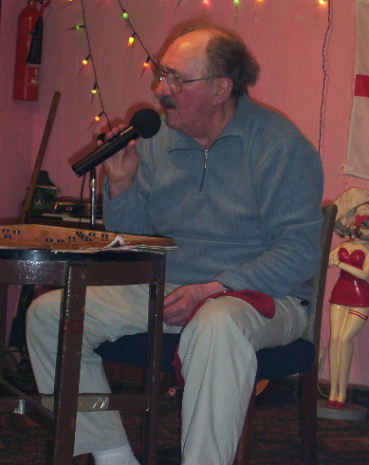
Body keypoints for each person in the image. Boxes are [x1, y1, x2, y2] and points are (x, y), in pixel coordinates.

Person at [26, 20, 323, 465]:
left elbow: (300, 251)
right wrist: (122, 186)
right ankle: (112, 458)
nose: (160, 88)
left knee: (217, 321)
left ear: (221, 89)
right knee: (51, 314)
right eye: (162, 73)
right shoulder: (155, 141)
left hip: (265, 299)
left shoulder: (279, 146)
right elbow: (136, 242)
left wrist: (215, 288)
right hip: (170, 291)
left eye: (176, 78)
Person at [327, 188, 369, 408]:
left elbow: (365, 274)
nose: (362, 229)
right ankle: (333, 392)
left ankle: (342, 393)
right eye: (360, 224)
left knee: (344, 339)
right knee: (334, 340)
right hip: (339, 295)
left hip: (361, 299)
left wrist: (341, 264)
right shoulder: (344, 246)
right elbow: (327, 261)